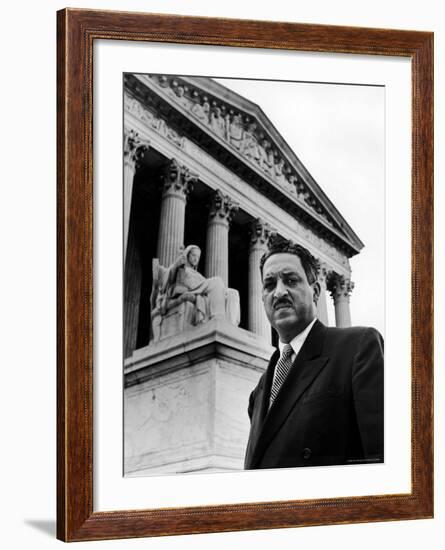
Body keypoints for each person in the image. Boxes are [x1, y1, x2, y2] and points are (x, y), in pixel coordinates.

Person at [244, 239, 384, 469]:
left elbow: (381, 458)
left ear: (315, 291)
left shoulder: (358, 348)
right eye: (269, 284)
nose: (279, 292)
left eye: (290, 280)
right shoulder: (258, 392)